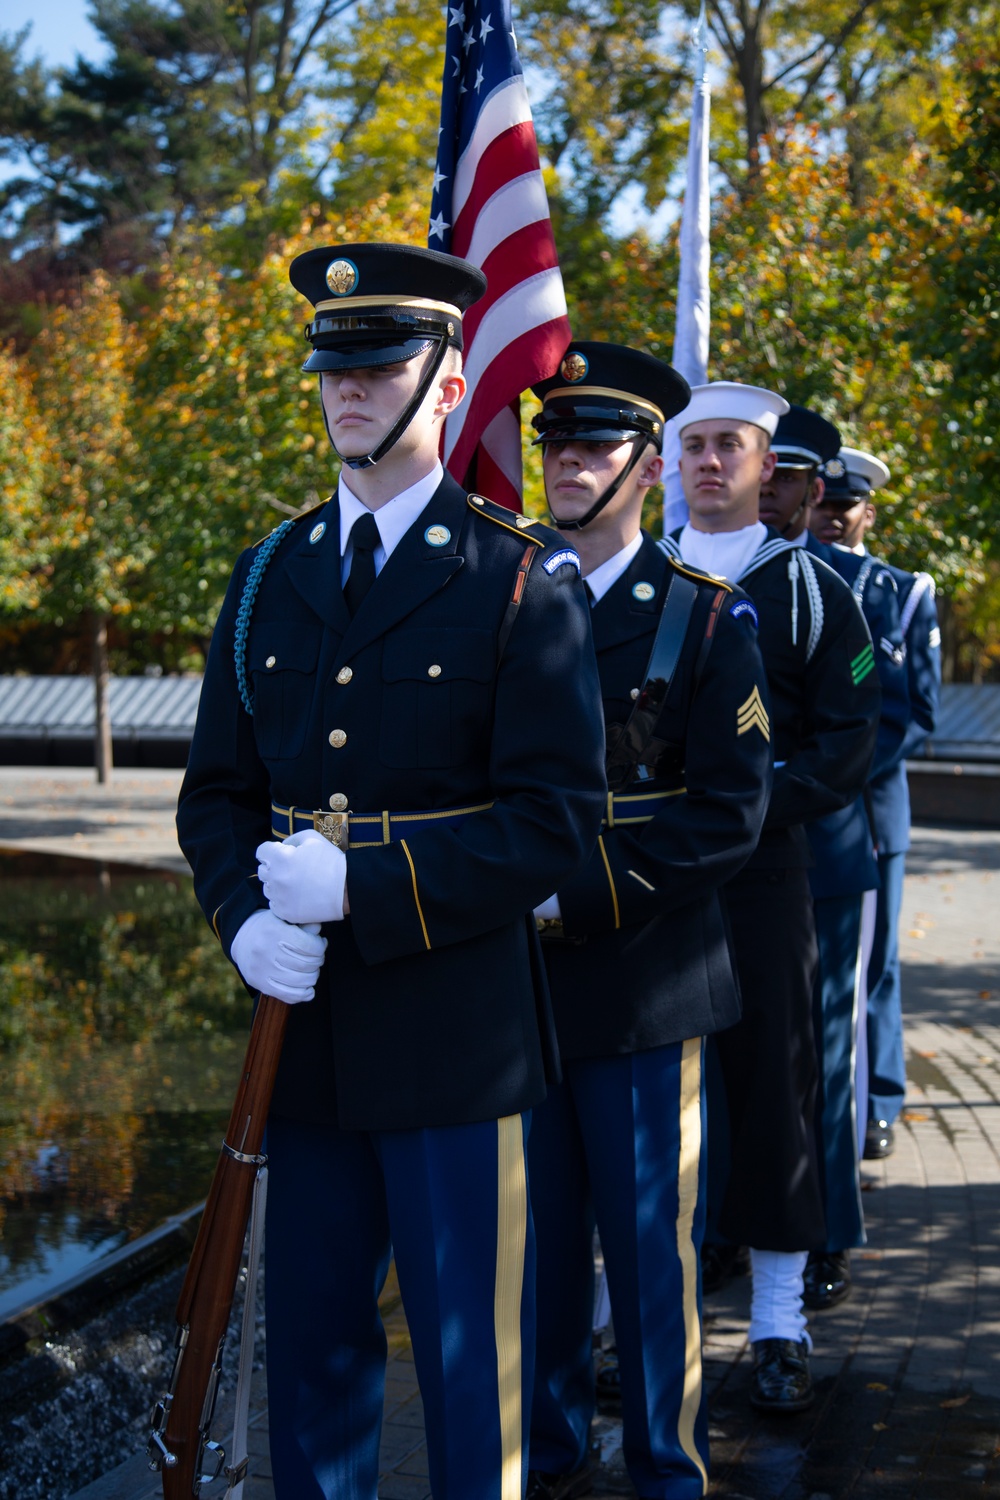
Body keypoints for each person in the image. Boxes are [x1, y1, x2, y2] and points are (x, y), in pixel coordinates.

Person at [176, 242, 609, 1500]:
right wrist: (238, 914)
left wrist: (361, 888)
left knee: (474, 1378)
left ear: (450, 379)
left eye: (378, 365)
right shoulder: (269, 577)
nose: (346, 389)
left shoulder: (521, 579)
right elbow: (216, 793)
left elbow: (554, 822)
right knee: (311, 1365)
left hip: (455, 1044)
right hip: (301, 1038)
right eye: (332, 367)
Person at [523, 344, 772, 1499]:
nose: (566, 463)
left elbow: (730, 815)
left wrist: (576, 890)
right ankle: (552, 1452)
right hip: (518, 986)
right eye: (554, 443)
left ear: (645, 467)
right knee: (539, 1250)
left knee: (639, 1240)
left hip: (640, 973)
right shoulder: (510, 601)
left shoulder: (707, 622)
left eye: (593, 445)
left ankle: (665, 1468)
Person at [662, 382, 880, 1412]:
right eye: (693, 446)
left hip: (763, 874)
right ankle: (645, 1322)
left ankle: (780, 1321)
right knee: (648, 1101)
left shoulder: (812, 588)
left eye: (730, 448)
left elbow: (848, 737)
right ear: (669, 462)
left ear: (766, 466)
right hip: (649, 878)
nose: (709, 463)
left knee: (773, 1091)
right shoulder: (630, 580)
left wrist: (749, 808)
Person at [762, 407, 910, 1311]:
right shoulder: (704, 573)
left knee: (821, 1059)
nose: (771, 487)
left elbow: (876, 719)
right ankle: (738, 1227)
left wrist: (773, 785)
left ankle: (826, 1233)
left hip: (821, 851)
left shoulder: (857, 587)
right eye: (760, 468)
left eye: (788, 476)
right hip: (727, 863)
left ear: (816, 488)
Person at [810, 447, 941, 1160]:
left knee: (878, 963)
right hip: (813, 816)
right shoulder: (790, 580)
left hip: (874, 814)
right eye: (823, 504)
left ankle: (880, 1100)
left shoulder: (905, 591)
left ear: (868, 512)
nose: (831, 517)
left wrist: (845, 772)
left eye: (844, 507)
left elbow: (919, 709)